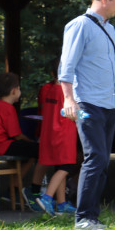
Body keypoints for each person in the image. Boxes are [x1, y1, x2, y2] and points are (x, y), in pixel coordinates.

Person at [59, 0, 115, 230]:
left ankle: (93, 217)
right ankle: (83, 218)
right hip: (87, 101)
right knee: (95, 157)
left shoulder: (110, 29)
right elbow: (66, 67)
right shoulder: (79, 25)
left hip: (110, 102)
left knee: (103, 160)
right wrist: (69, 99)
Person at [0, 72, 43, 210]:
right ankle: (29, 189)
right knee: (40, 150)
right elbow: (16, 135)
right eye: (19, 88)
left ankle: (15, 188)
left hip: (2, 144)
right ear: (14, 91)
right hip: (3, 145)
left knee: (31, 153)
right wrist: (30, 141)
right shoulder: (8, 108)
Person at [36, 73, 77, 215]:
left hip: (52, 134)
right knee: (66, 167)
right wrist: (90, 114)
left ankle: (62, 203)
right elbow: (72, 113)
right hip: (64, 134)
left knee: (60, 167)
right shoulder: (66, 93)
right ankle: (47, 197)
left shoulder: (51, 89)